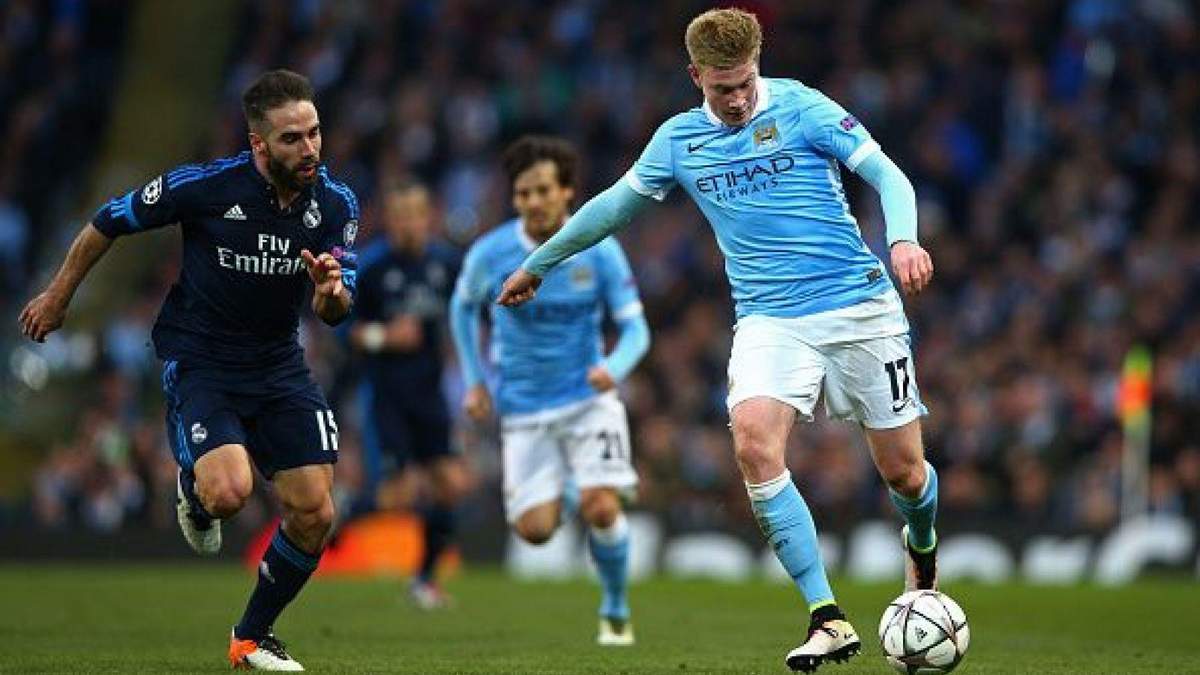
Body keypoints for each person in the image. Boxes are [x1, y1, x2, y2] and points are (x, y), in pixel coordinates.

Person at [496, 9, 938, 673]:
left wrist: (902, 238)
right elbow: (612, 207)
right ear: (694, 75)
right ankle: (826, 615)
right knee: (754, 442)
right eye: (721, 88)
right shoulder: (678, 140)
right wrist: (540, 263)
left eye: (745, 84)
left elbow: (889, 176)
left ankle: (922, 545)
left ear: (758, 65)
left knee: (904, 472)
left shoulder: (804, 107)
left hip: (859, 306)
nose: (735, 100)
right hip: (769, 319)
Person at [20, 69, 359, 672]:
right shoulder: (205, 187)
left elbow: (335, 311)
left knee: (316, 513)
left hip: (279, 366)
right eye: (291, 139)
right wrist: (58, 296)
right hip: (203, 360)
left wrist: (329, 292)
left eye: (314, 133)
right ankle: (193, 489)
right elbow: (108, 219)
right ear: (258, 144)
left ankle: (251, 638)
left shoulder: (336, 204)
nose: (309, 148)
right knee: (228, 493)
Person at [450, 136, 651, 646]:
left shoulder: (600, 250)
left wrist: (614, 367)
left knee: (602, 507)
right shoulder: (492, 252)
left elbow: (636, 329)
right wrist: (475, 380)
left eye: (543, 190)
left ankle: (615, 608)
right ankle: (572, 487)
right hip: (523, 407)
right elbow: (462, 308)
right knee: (534, 531)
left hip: (587, 400)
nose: (534, 202)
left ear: (566, 193)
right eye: (523, 193)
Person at [346, 182, 469, 609]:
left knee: (450, 484)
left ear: (428, 217)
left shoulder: (445, 263)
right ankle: (338, 516)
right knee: (398, 494)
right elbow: (343, 330)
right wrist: (384, 336)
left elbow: (472, 303)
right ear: (389, 219)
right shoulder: (372, 267)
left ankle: (425, 581)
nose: (409, 223)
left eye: (416, 214)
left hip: (430, 395)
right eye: (400, 215)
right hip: (388, 396)